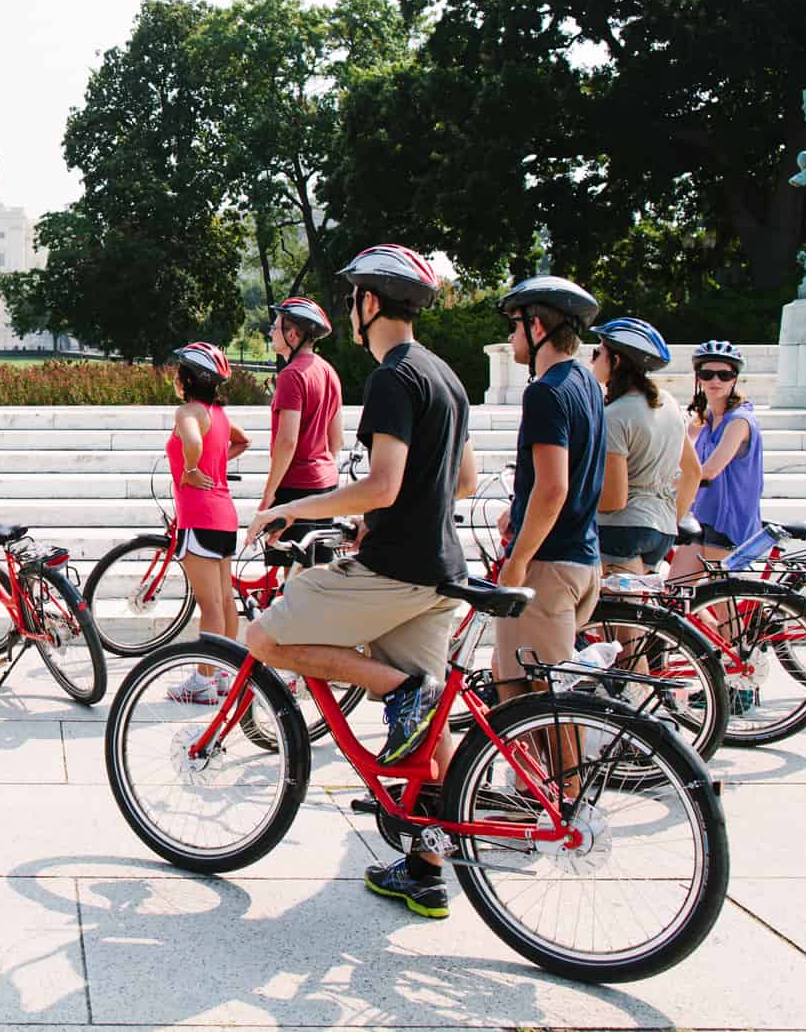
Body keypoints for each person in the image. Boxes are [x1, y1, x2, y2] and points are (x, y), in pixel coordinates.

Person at [242, 244, 477, 920]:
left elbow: (382, 482)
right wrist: (373, 521)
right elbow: (458, 481)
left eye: (353, 299)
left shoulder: (394, 378)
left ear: (369, 302)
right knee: (433, 732)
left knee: (263, 636)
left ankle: (397, 690)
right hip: (440, 568)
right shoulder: (446, 375)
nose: (350, 309)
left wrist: (291, 507)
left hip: (396, 571)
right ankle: (428, 866)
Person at [493, 276, 606, 690]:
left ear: (537, 327)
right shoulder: (588, 384)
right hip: (581, 559)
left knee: (544, 703)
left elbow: (553, 487)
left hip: (547, 565)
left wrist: (519, 559)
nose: (511, 335)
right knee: (508, 679)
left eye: (515, 324)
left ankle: (567, 761)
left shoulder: (545, 392)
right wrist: (518, 512)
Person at [162, 342, 251, 703]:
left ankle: (201, 682)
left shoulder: (188, 412)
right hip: (224, 515)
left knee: (210, 605)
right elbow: (243, 441)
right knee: (226, 601)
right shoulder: (220, 414)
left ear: (186, 379)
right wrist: (215, 465)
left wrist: (191, 469)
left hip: (199, 515)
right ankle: (223, 675)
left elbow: (193, 441)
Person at [588, 318, 696, 574]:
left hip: (621, 530)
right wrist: (670, 518)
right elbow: (693, 472)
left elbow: (613, 499)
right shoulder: (669, 403)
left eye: (597, 352)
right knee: (635, 611)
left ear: (615, 361)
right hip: (662, 528)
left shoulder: (615, 416)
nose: (592, 360)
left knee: (608, 613)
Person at [669, 341, 764, 584]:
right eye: (707, 374)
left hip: (729, 521)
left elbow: (710, 470)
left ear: (734, 379)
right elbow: (677, 456)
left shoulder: (739, 421)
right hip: (704, 516)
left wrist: (667, 485)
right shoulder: (703, 420)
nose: (716, 381)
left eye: (724, 375)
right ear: (698, 377)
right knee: (675, 592)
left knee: (724, 608)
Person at [257, 297, 345, 534]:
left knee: (293, 568)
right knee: (315, 566)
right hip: (327, 483)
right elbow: (337, 440)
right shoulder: (329, 371)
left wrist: (268, 496)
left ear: (292, 335)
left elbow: (287, 442)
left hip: (295, 486)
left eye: (274, 328)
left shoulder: (291, 375)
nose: (271, 333)